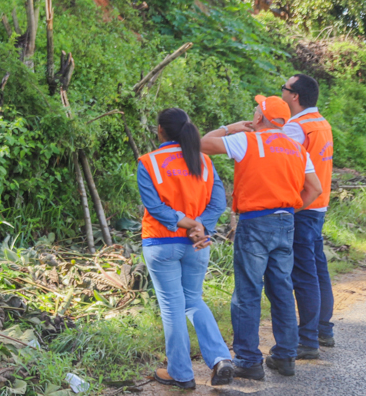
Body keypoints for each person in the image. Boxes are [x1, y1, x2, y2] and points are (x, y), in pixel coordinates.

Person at [200, 95, 322, 381]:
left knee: (247, 293)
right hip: (286, 222)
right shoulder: (296, 148)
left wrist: (231, 127)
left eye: (256, 111)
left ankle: (249, 360)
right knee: (281, 288)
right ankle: (285, 356)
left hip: (255, 223)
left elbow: (202, 143)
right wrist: (289, 208)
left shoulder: (248, 140)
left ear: (259, 119)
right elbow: (314, 189)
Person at [138, 108, 236, 390]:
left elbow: (155, 208)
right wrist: (199, 227)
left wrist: (186, 224)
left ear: (160, 130)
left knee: (172, 306)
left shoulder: (149, 162)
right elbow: (218, 203)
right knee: (193, 299)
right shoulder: (204, 161)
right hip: (197, 243)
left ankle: (180, 373)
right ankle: (220, 358)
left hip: (161, 241)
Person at [281, 74, 336, 355]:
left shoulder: (296, 128)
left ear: (295, 96)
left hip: (302, 205)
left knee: (303, 274)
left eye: (284, 89)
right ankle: (323, 329)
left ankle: (308, 340)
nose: (281, 93)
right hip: (319, 203)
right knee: (317, 268)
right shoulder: (321, 123)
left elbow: (283, 166)